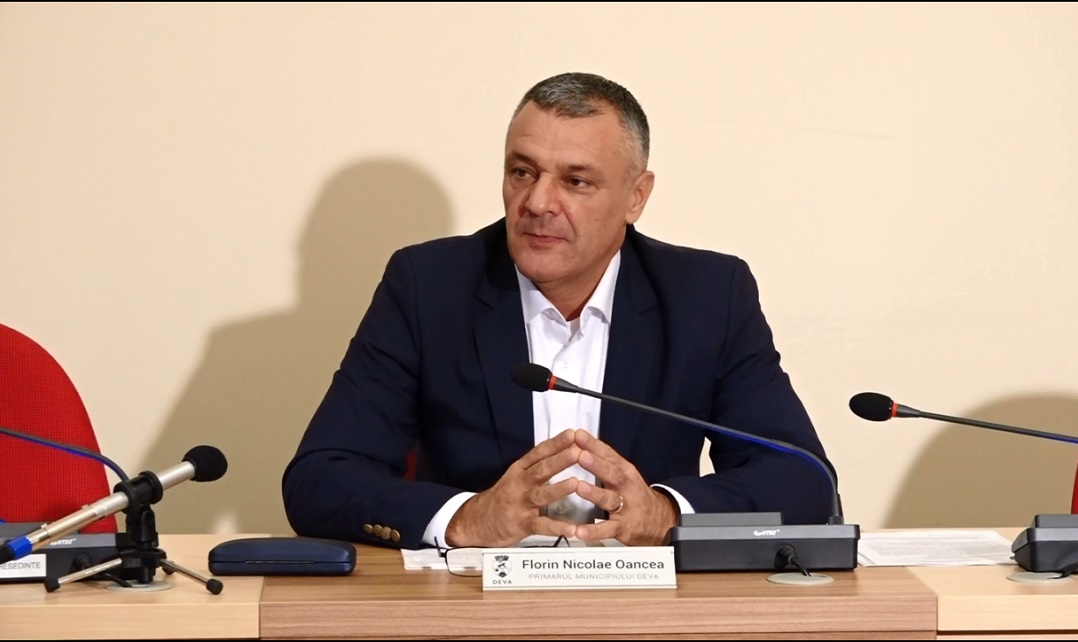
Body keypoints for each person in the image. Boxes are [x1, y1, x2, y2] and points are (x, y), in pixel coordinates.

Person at [282, 71, 835, 550]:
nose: (538, 203)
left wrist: (663, 514)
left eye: (575, 181)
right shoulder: (429, 287)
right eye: (522, 172)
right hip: (475, 605)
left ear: (636, 197)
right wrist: (468, 518)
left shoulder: (706, 295)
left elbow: (802, 477)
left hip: (644, 610)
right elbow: (320, 479)